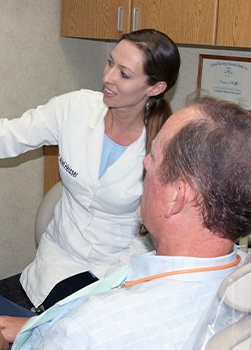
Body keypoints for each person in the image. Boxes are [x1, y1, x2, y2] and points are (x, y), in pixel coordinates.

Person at [0, 95, 251, 349]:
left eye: (154, 156)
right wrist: (43, 326)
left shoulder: (84, 332)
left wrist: (57, 332)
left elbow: (84, 333)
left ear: (176, 196)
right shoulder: (241, 275)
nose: (144, 161)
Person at [0, 29, 181, 310]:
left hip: (119, 268)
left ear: (154, 88)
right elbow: (10, 136)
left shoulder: (165, 145)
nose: (107, 78)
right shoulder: (75, 108)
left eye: (124, 74)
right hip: (59, 259)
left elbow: (159, 232)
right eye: (110, 63)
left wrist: (114, 283)